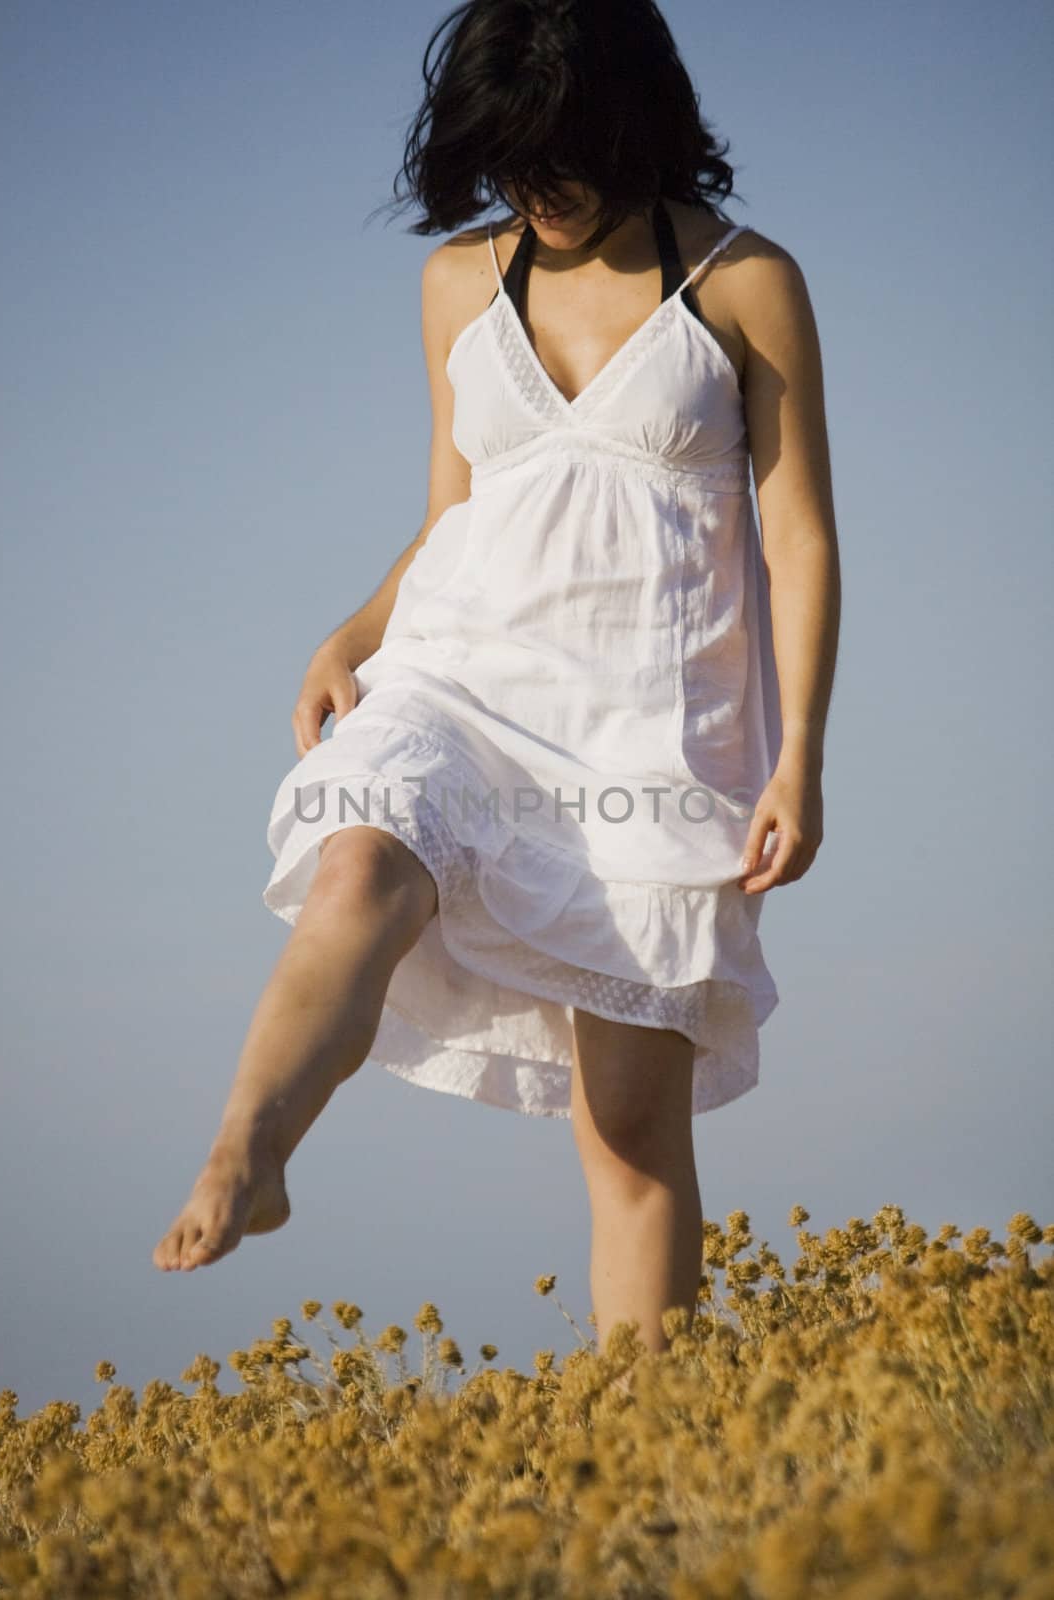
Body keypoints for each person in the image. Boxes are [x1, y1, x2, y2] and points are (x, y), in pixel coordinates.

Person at [153, 0, 840, 1364]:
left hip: (652, 723)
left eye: (565, 157)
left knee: (630, 1130)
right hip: (461, 678)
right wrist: (352, 630)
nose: (538, 189)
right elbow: (455, 512)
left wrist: (799, 756)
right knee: (360, 864)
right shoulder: (462, 283)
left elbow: (798, 529)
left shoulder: (745, 280)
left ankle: (651, 1466)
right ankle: (248, 1148)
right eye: (510, 161)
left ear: (637, 126)